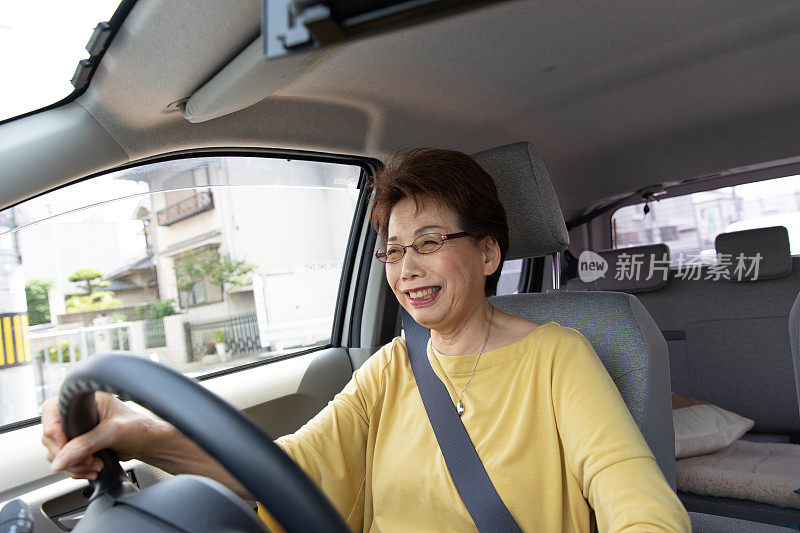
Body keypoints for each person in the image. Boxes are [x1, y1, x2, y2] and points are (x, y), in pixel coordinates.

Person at [42, 148, 691, 532]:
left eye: (430, 243)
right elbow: (284, 470)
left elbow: (640, 505)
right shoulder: (389, 370)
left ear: (489, 250)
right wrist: (141, 432)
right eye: (393, 249)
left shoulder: (559, 357)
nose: (406, 269)